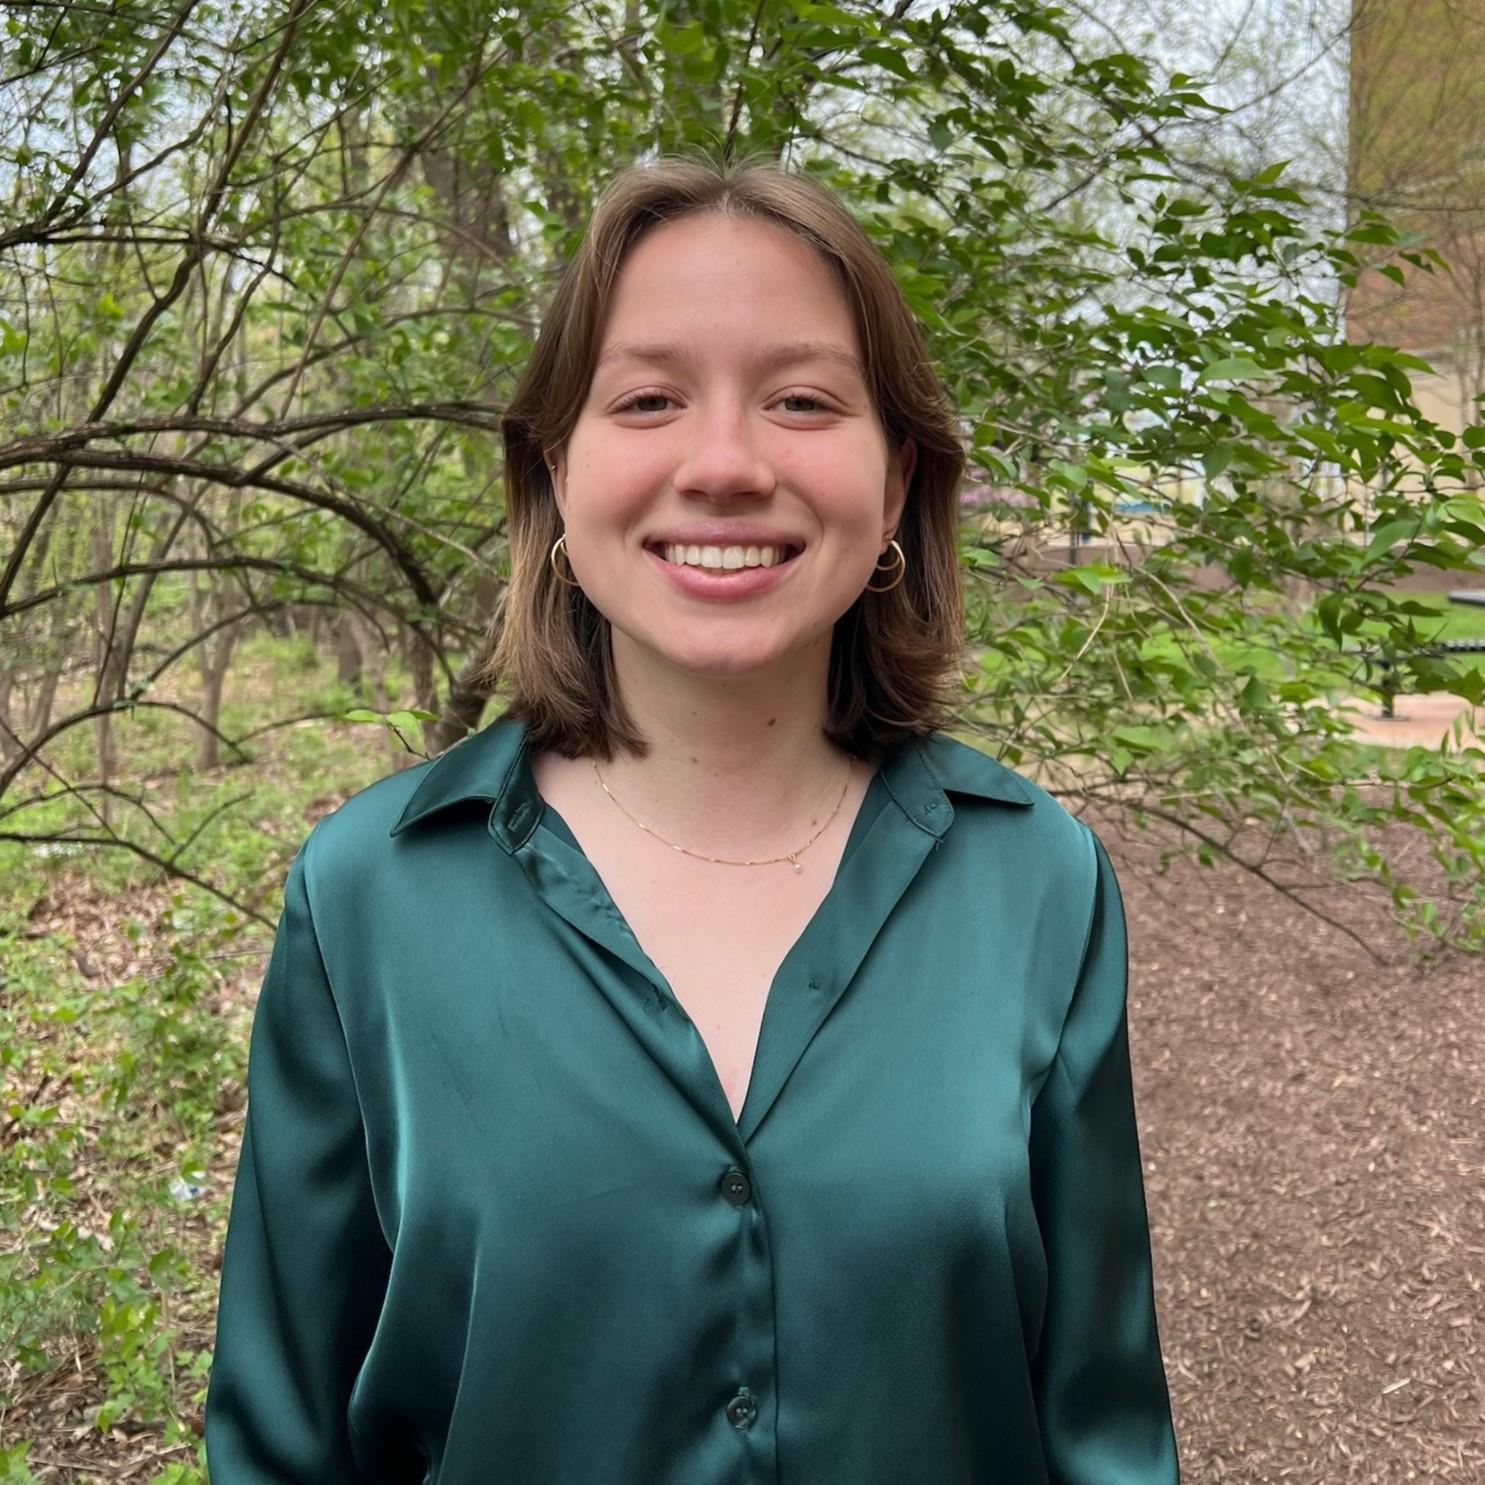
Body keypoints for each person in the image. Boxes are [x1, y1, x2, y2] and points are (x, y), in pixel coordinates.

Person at [204, 155, 1180, 1484]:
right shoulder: (370, 897)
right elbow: (283, 1445)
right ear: (559, 472)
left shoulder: (1035, 884)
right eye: (650, 399)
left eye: (800, 400)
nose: (723, 464)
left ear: (894, 481)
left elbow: (1101, 1432)